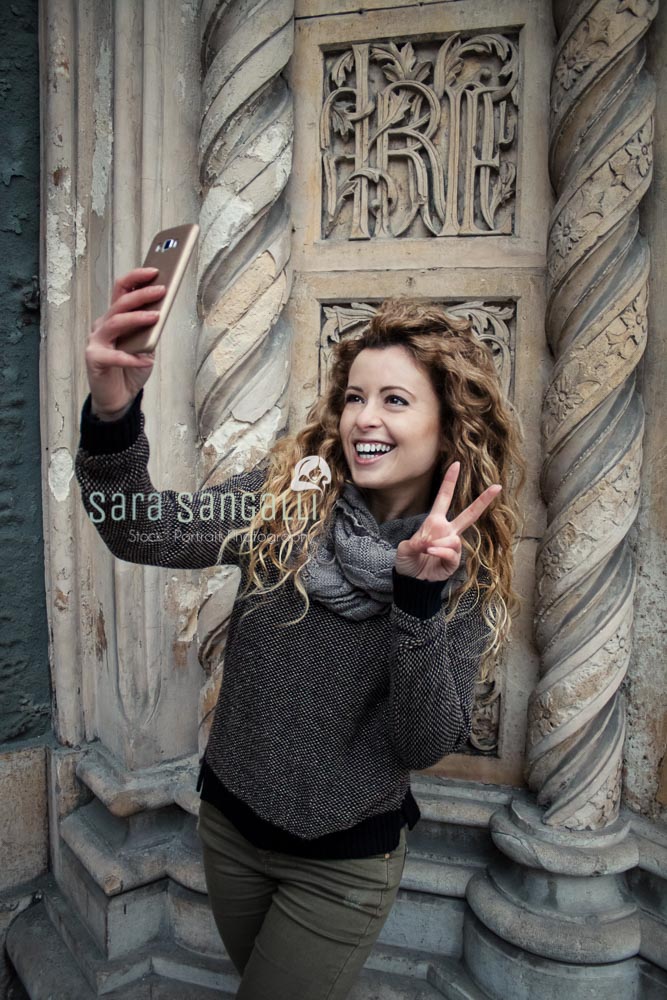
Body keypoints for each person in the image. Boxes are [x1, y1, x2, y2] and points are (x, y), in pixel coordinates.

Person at [75, 267, 525, 1000]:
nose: (362, 419)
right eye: (353, 398)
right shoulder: (285, 501)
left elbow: (423, 741)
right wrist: (112, 408)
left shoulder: (460, 572)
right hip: (228, 825)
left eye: (394, 401)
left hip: (341, 865)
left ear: (447, 425)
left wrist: (416, 601)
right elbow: (141, 530)